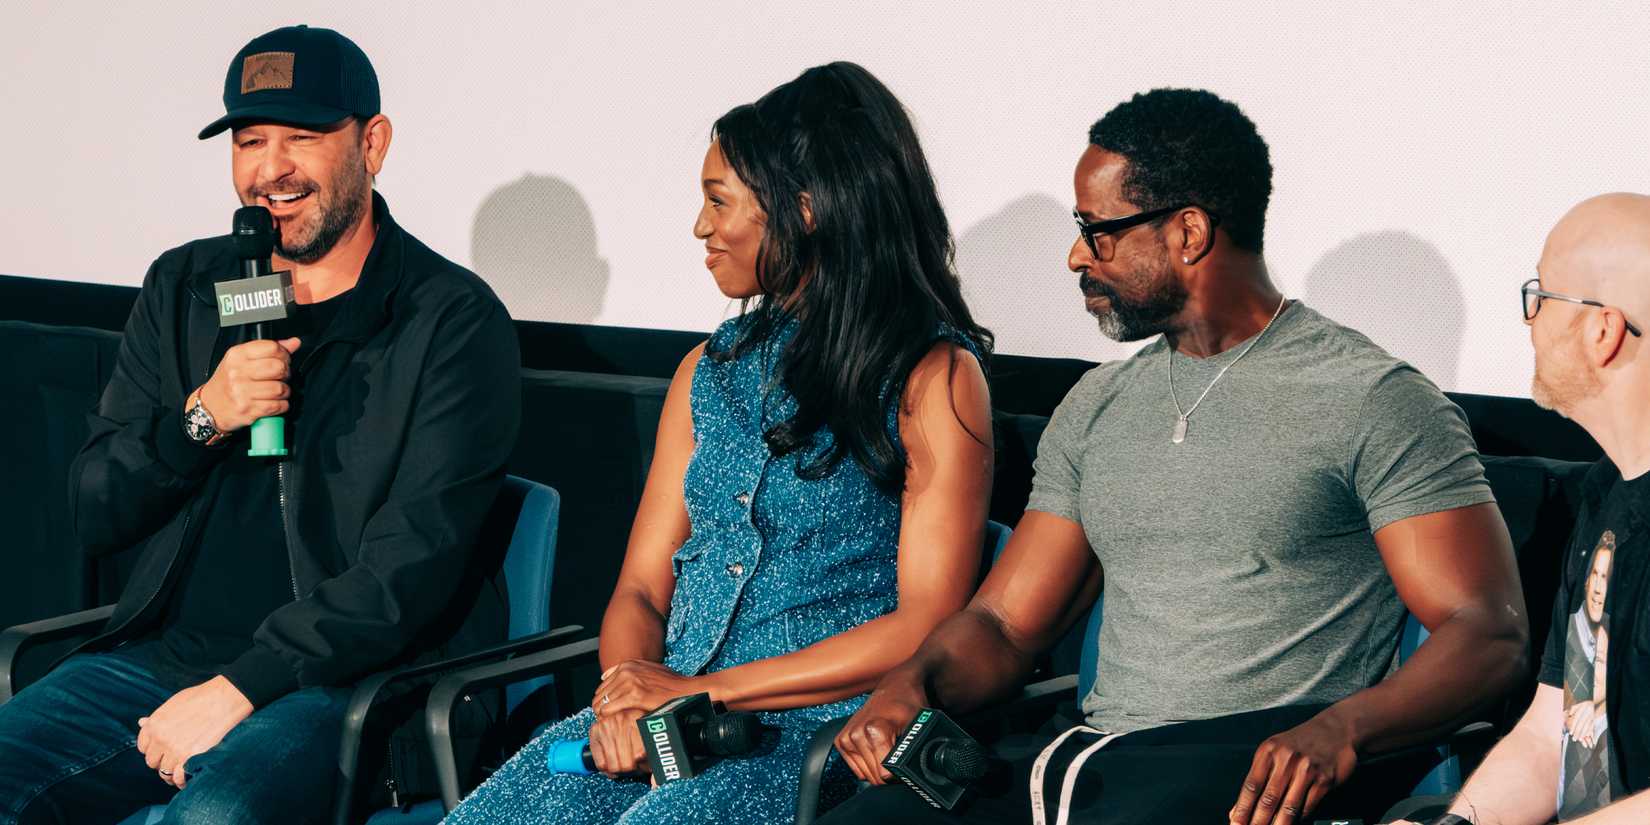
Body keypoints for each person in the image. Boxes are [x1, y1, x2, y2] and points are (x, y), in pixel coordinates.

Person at [822, 88, 1528, 825]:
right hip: (1094, 768)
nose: (1076, 255)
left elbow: (1488, 631)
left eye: (1098, 232)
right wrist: (916, 679)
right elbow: (1004, 625)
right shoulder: (1098, 404)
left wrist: (1342, 729)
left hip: (1244, 779)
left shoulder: (1373, 398)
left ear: (1188, 232)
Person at [442, 62, 996, 824]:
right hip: (669, 709)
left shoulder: (933, 375)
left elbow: (928, 620)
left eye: (718, 202)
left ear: (805, 209)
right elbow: (639, 586)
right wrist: (625, 692)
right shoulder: (707, 370)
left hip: (813, 730)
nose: (701, 228)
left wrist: (701, 693)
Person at [0, 25, 520, 824]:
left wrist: (245, 683)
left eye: (302, 138)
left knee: (215, 817)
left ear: (372, 144)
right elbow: (95, 509)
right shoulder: (187, 286)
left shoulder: (448, 321)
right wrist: (202, 417)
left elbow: (408, 569)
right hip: (160, 661)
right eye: (249, 140)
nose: (269, 169)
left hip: (338, 684)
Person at [1390, 194, 1650, 824]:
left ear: (1602, 330)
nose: (1529, 321)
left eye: (1542, 296)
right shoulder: (1606, 492)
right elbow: (1553, 734)